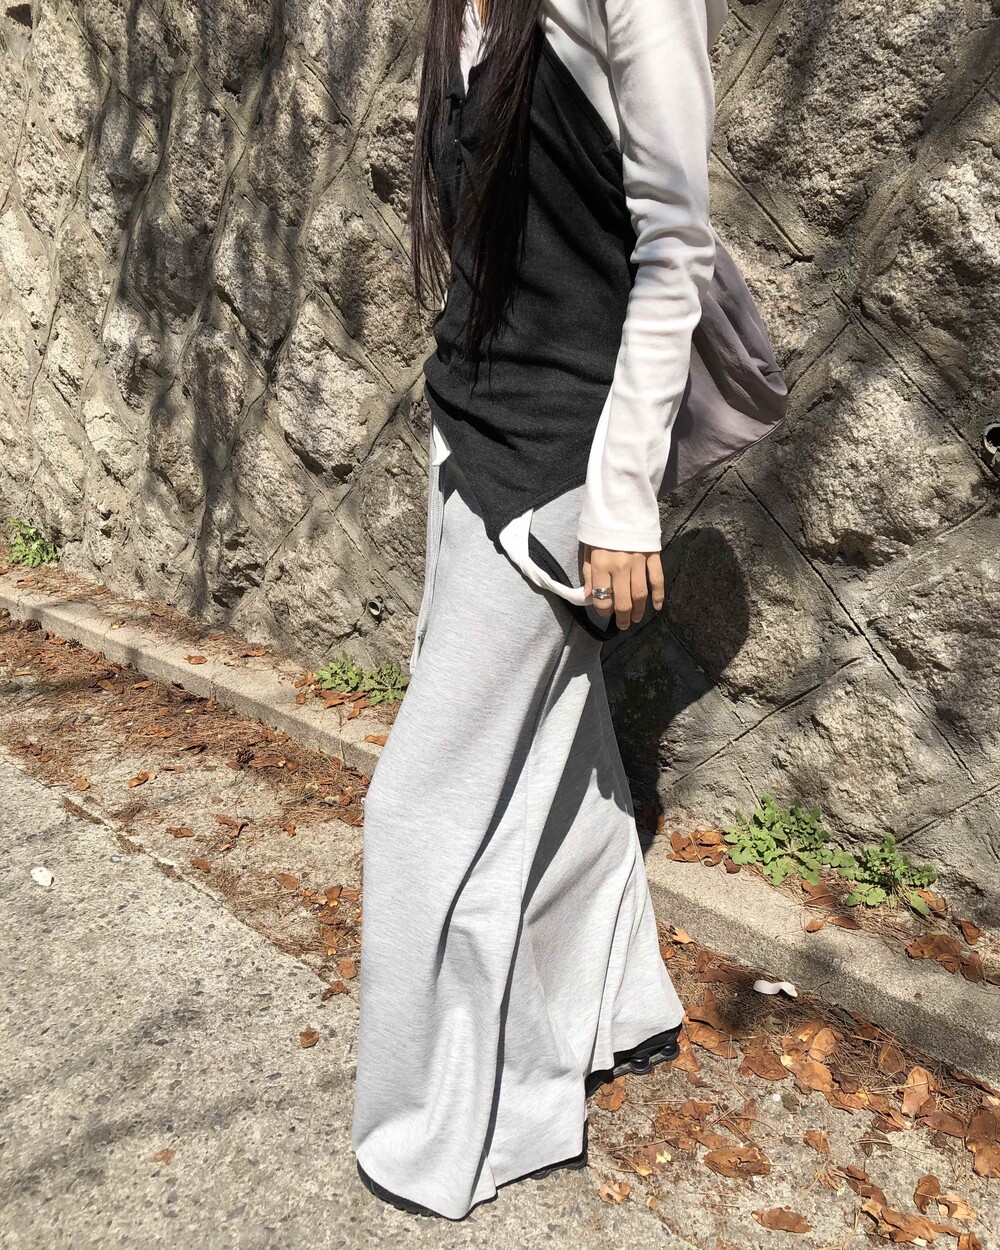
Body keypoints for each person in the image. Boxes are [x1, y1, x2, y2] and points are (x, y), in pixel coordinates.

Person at [351, 0, 728, 1220]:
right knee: (566, 759)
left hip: (556, 463)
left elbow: (674, 245)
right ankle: (619, 1004)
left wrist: (622, 500)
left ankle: (436, 1128)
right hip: (468, 427)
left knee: (419, 806)